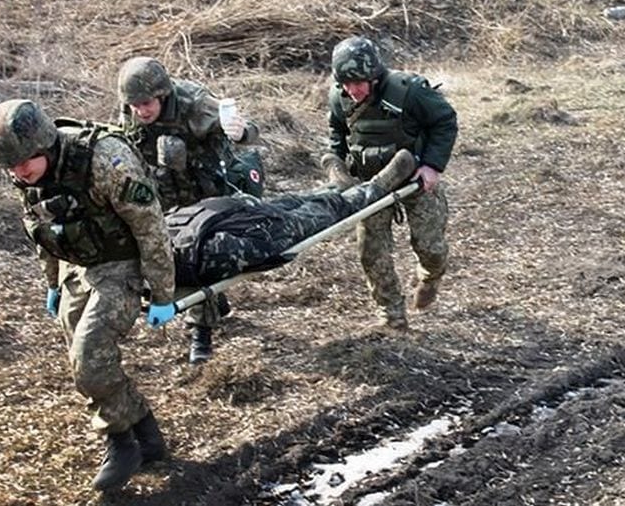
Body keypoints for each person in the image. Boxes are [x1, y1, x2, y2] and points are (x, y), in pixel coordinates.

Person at [0, 99, 177, 492]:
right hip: (79, 265)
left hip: (123, 261)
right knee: (83, 361)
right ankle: (147, 434)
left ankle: (121, 444)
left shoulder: (105, 159)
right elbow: (42, 231)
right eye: (12, 167)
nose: (19, 173)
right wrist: (52, 283)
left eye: (25, 163)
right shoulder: (26, 174)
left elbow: (149, 224)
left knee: (89, 355)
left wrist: (162, 291)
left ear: (44, 144)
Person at [117, 55, 262, 363]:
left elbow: (248, 132)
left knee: (194, 251)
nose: (141, 111)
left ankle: (201, 332)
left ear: (162, 95)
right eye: (135, 105)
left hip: (205, 185)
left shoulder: (194, 103)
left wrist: (240, 131)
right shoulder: (129, 110)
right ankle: (213, 302)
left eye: (147, 104)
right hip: (165, 189)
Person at [322, 36, 457, 330]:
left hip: (416, 180)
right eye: (345, 83)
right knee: (371, 252)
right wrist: (338, 167)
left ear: (373, 75)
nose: (351, 90)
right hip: (370, 186)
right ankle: (391, 313)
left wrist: (432, 166)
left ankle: (429, 277)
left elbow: (444, 120)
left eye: (358, 83)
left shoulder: (408, 91)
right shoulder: (340, 97)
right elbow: (337, 134)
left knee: (431, 248)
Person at [162, 149, 418, 299]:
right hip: (249, 219)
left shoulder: (167, 246)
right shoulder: (168, 237)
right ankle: (358, 187)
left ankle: (355, 186)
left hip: (245, 219)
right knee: (317, 206)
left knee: (315, 205)